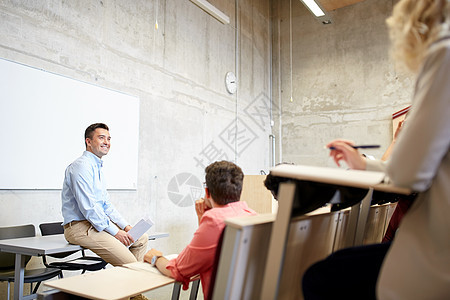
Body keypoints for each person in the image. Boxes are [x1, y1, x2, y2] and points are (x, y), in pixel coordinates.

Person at [303, 0, 450, 299]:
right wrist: (363, 162)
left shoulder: (444, 54)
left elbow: (409, 174)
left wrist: (390, 149)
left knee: (320, 277)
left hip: (436, 257)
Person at [143, 161, 257, 299]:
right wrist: (202, 219)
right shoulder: (251, 215)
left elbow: (178, 270)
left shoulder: (214, 221)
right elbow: (208, 253)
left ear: (207, 192)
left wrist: (156, 258)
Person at [61, 123, 148, 267]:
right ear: (88, 141)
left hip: (94, 224)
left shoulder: (97, 166)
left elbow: (105, 205)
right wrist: (115, 232)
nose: (106, 142)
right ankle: (132, 281)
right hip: (79, 228)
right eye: (101, 138)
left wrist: (125, 226)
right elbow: (89, 208)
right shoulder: (81, 166)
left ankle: (128, 285)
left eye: (108, 139)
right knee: (131, 265)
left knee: (141, 238)